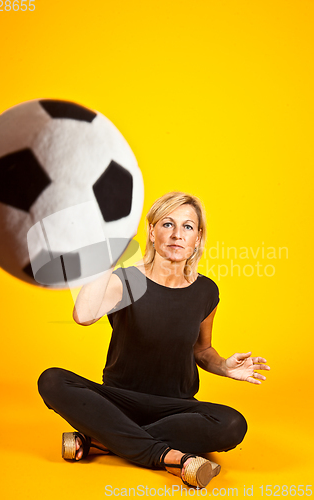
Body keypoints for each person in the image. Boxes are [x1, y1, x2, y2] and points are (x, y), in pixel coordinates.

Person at [37, 191, 270, 489]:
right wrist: (107, 257)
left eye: (187, 227)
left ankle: (102, 440)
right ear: (151, 231)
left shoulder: (206, 291)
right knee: (52, 380)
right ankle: (170, 457)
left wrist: (224, 366)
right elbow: (83, 315)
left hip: (175, 407)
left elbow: (203, 349)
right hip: (118, 400)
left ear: (197, 238)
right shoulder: (126, 280)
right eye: (167, 224)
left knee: (233, 424)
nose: (176, 235)